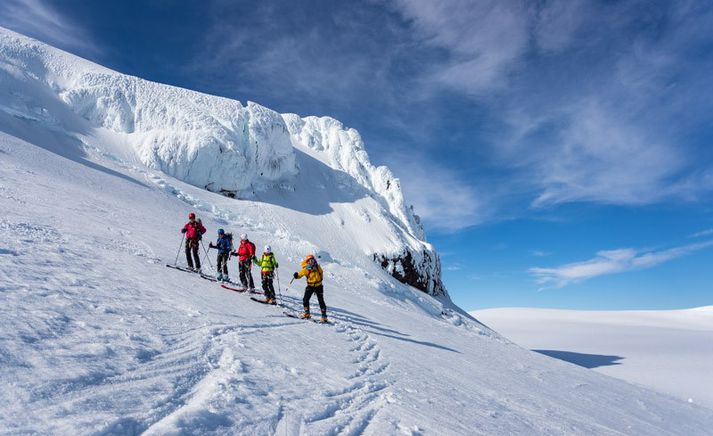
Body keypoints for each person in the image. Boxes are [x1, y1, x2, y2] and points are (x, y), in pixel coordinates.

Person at [293, 254, 327, 322]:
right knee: (305, 299)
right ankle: (307, 313)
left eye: (312, 260)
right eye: (310, 260)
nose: (311, 262)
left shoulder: (317, 267)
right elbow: (300, 275)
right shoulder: (306, 269)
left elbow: (321, 273)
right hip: (310, 286)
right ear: (307, 261)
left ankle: (324, 316)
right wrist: (296, 276)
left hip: (319, 286)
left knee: (321, 301)